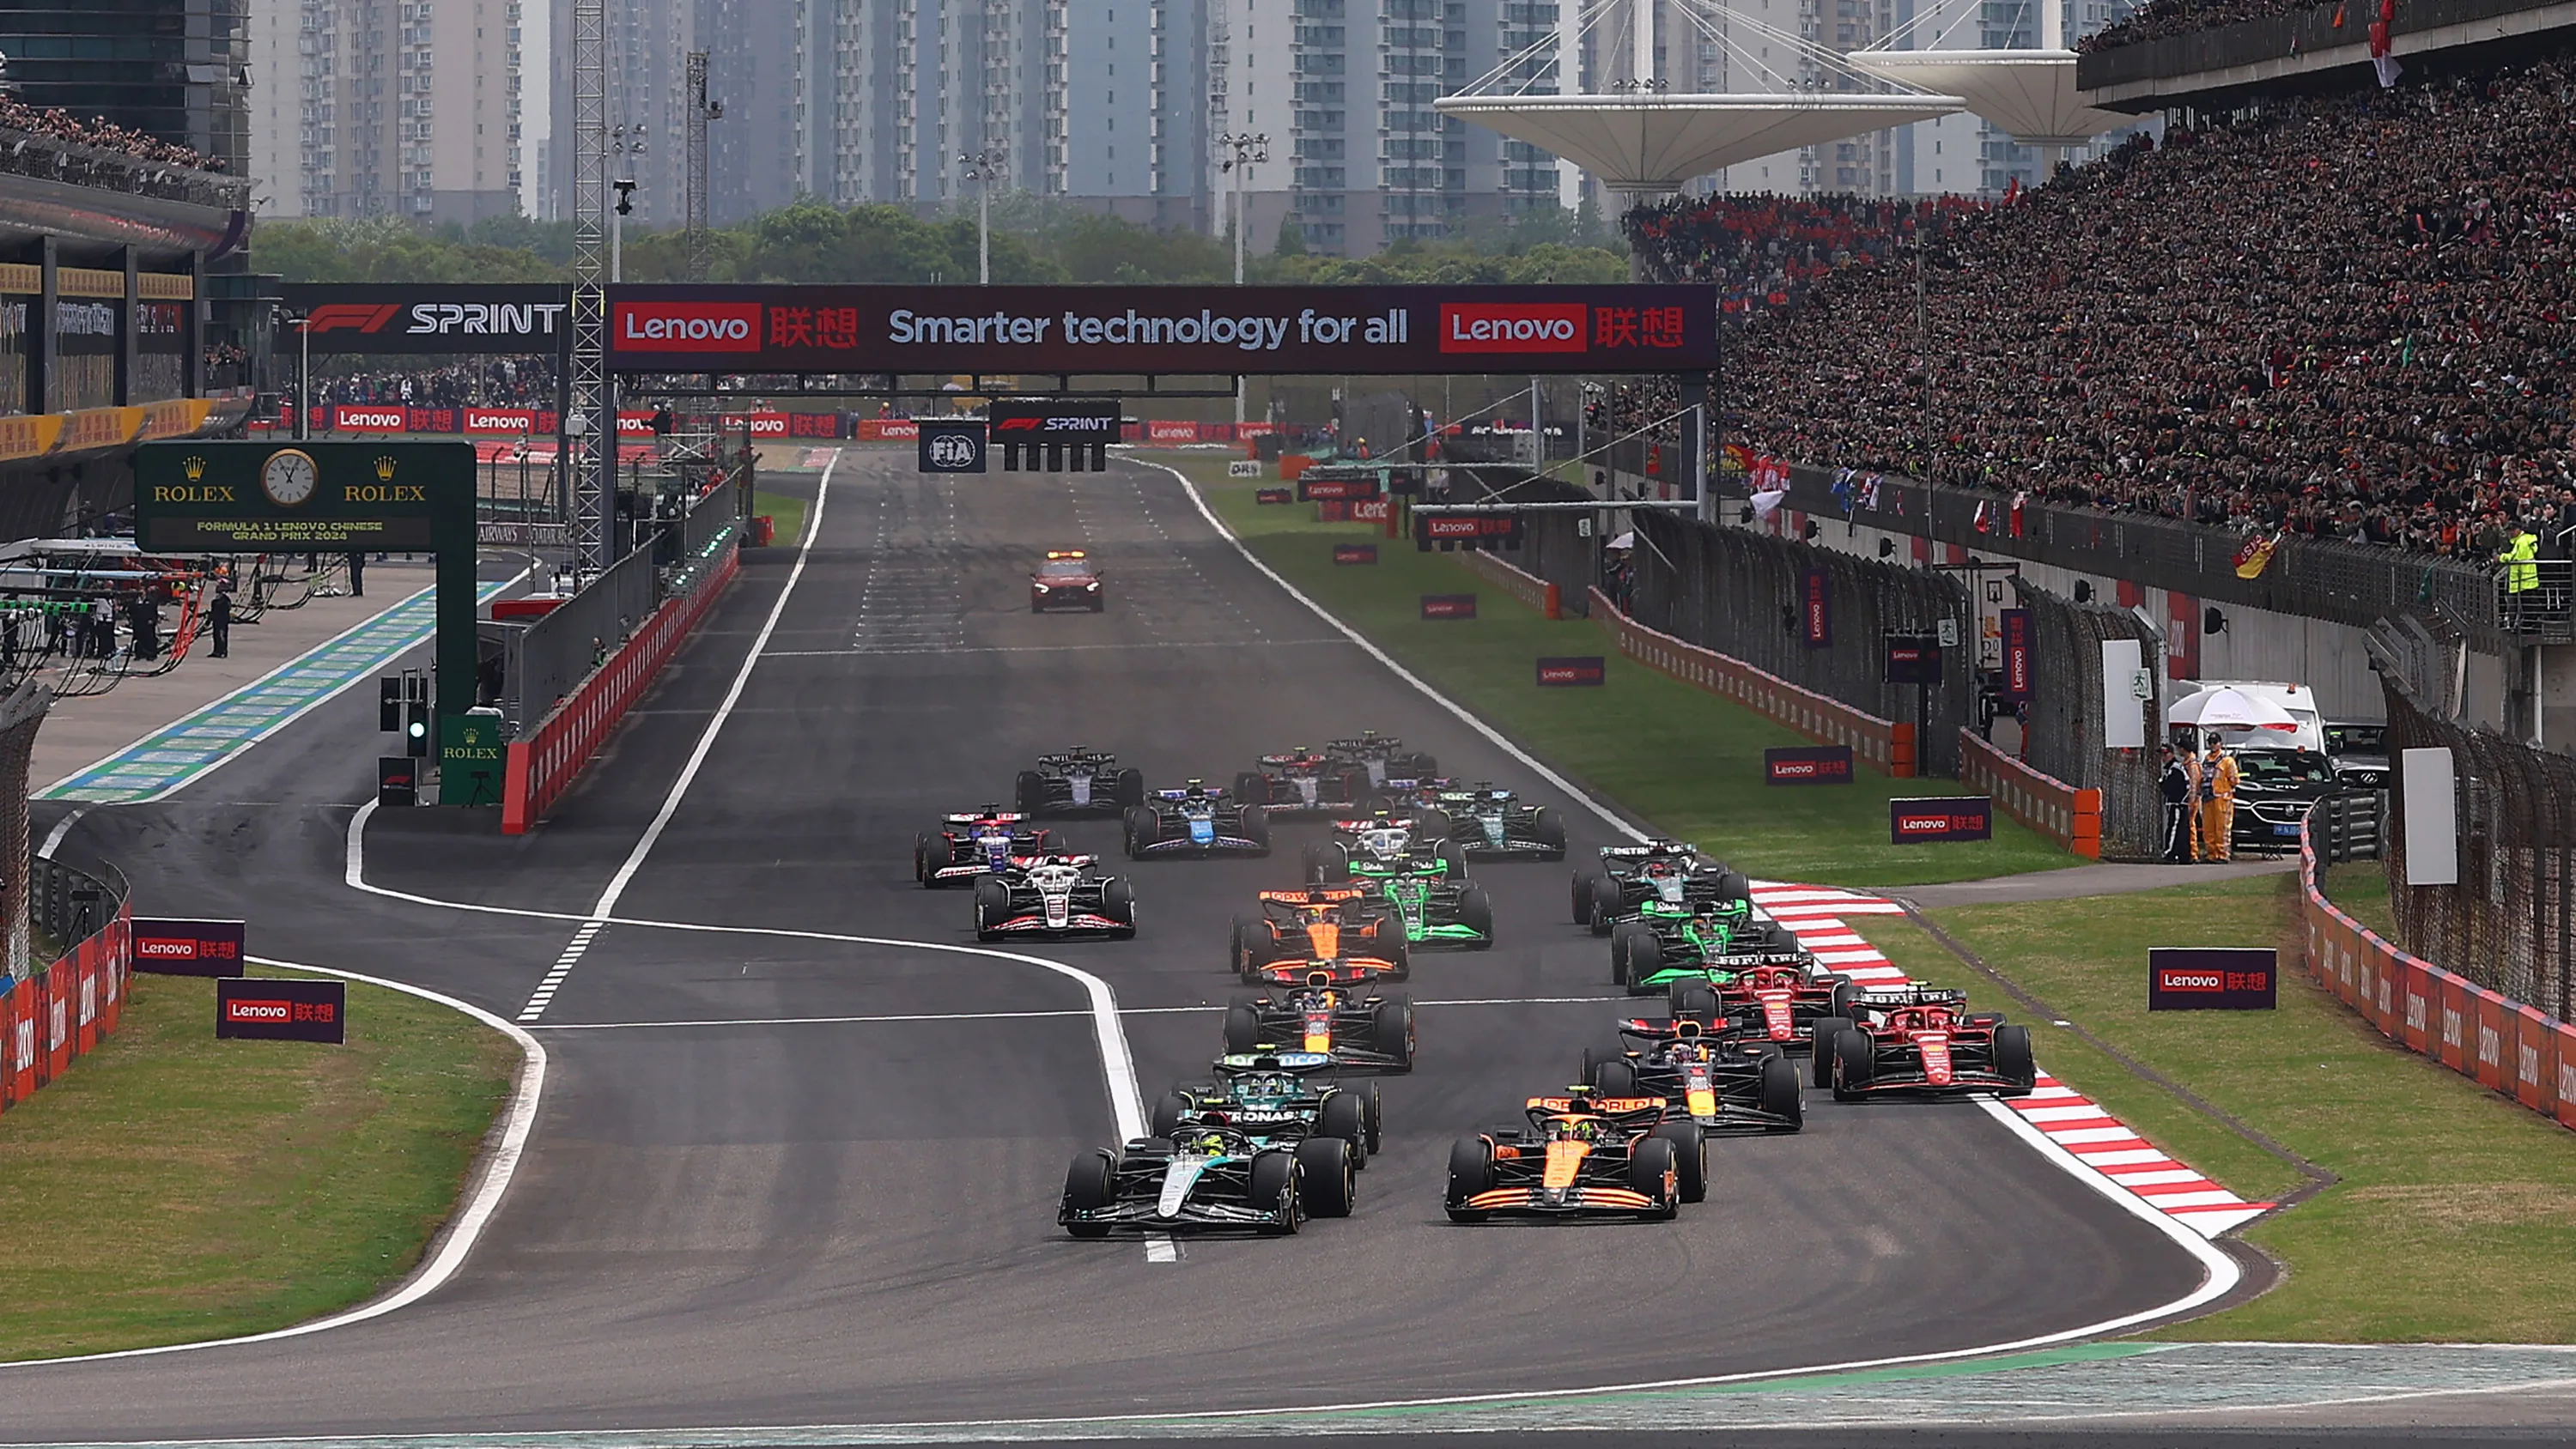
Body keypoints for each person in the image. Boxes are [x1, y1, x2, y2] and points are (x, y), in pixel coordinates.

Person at [2196, 740, 2239, 863]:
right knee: (2208, 829)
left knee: (2222, 829)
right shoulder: (2206, 759)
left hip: (2222, 799)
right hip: (2207, 798)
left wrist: (2225, 787)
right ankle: (2211, 854)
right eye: (2210, 742)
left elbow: (2235, 780)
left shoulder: (2228, 761)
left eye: (2215, 742)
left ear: (2220, 743)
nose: (2212, 745)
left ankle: (2223, 854)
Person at [2160, 744, 2192, 862]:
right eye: (2162, 755)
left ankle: (2170, 853)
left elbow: (2170, 787)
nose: (2163, 758)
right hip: (2177, 804)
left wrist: (2178, 801)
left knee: (2174, 828)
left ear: (2172, 754)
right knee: (2180, 829)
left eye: (2165, 754)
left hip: (2177, 804)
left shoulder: (2175, 769)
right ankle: (2182, 855)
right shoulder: (2172, 769)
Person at [209, 579, 233, 658]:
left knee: (221, 635)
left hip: (221, 619)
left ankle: (222, 651)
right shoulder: (219, 598)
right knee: (216, 635)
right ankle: (216, 650)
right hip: (217, 619)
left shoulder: (224, 599)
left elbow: (223, 608)